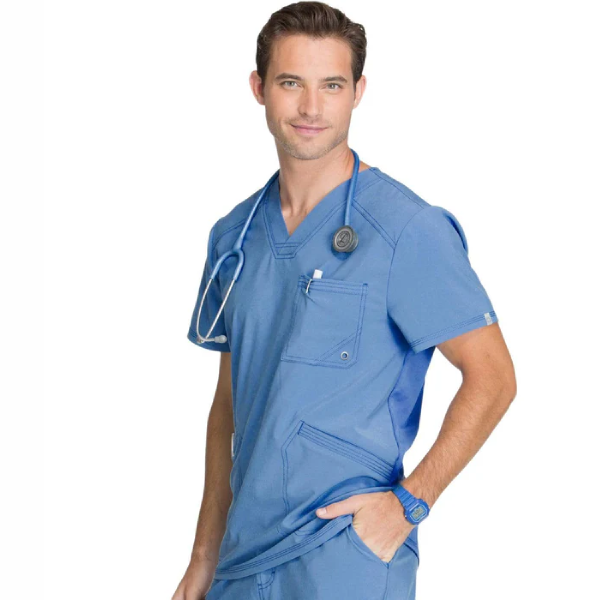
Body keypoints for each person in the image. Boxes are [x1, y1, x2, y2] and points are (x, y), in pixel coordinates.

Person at [172, 2, 517, 599]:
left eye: (331, 85)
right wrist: (204, 555)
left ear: (358, 92)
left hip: (342, 556)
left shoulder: (406, 229)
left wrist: (410, 503)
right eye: (291, 83)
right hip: (240, 562)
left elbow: (494, 377)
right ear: (259, 88)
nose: (311, 107)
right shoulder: (235, 237)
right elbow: (228, 407)